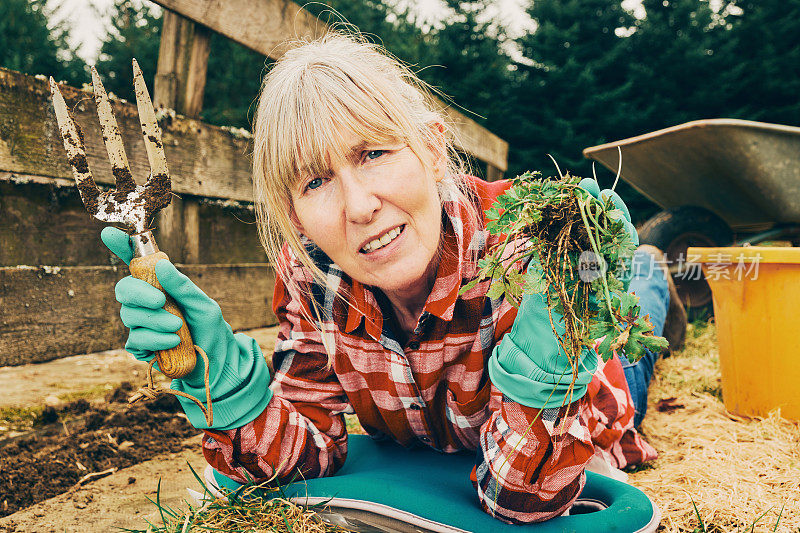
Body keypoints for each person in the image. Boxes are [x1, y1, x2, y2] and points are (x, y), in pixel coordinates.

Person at [101, 32, 682, 524]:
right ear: (293, 211)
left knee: (635, 345)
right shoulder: (313, 276)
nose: (358, 206)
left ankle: (650, 271)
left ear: (431, 149)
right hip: (450, 435)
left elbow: (521, 500)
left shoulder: (527, 250)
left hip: (588, 393)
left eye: (374, 154)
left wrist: (544, 379)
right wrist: (228, 394)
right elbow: (307, 459)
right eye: (314, 182)